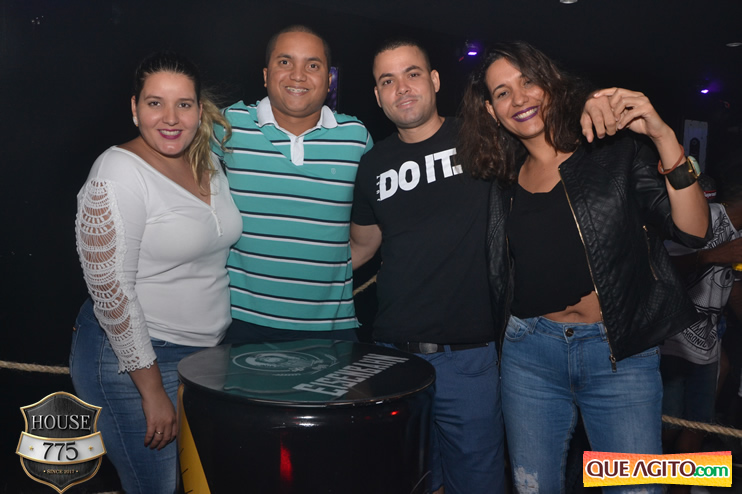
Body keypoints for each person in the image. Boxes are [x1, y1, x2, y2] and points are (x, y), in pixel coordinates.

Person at [350, 38, 618, 494]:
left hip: (470, 356)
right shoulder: (373, 164)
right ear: (377, 96)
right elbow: (361, 246)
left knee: (479, 483)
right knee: (408, 481)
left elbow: (543, 127)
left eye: (413, 73)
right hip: (392, 357)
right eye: (388, 80)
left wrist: (590, 103)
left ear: (435, 80)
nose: (403, 88)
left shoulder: (483, 137)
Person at [458, 41, 710, 494]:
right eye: (502, 92)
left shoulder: (613, 153)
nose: (519, 98)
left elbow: (694, 232)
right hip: (529, 356)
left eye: (528, 81)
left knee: (635, 488)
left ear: (550, 84)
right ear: (492, 112)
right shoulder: (500, 181)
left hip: (619, 355)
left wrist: (663, 136)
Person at [71, 52, 241, 494]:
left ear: (199, 110)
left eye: (183, 104)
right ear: (134, 108)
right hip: (137, 361)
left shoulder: (206, 162)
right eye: (155, 103)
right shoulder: (117, 172)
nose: (170, 118)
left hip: (202, 358)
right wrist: (150, 390)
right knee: (156, 487)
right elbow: (111, 293)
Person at [214, 25, 373, 344]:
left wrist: (320, 275)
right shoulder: (227, 126)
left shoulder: (356, 138)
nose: (298, 75)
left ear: (329, 79)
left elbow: (368, 238)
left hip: (331, 328)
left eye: (313, 65)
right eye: (285, 62)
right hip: (239, 323)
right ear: (265, 75)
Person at [660, 172, 742, 494]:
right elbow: (661, 267)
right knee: (665, 430)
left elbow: (732, 290)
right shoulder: (704, 216)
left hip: (707, 347)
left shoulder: (738, 232)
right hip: (672, 344)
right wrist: (714, 255)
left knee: (697, 429)